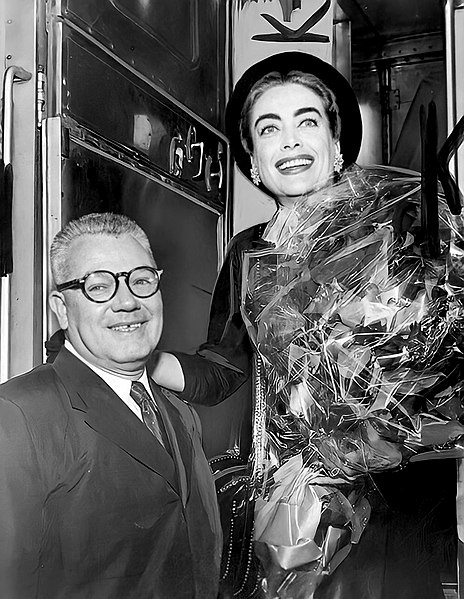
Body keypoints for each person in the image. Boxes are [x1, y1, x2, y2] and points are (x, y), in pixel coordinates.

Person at [151, 52, 462, 599]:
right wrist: (138, 361)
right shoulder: (249, 251)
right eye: (269, 129)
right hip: (291, 497)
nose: (289, 141)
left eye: (307, 122)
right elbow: (227, 364)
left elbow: (440, 352)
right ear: (253, 159)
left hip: (396, 497)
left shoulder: (397, 224)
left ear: (337, 145)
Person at [0, 212, 222, 599]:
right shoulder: (18, 416)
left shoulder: (180, 414)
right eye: (98, 286)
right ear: (61, 308)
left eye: (141, 281)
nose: (127, 302)